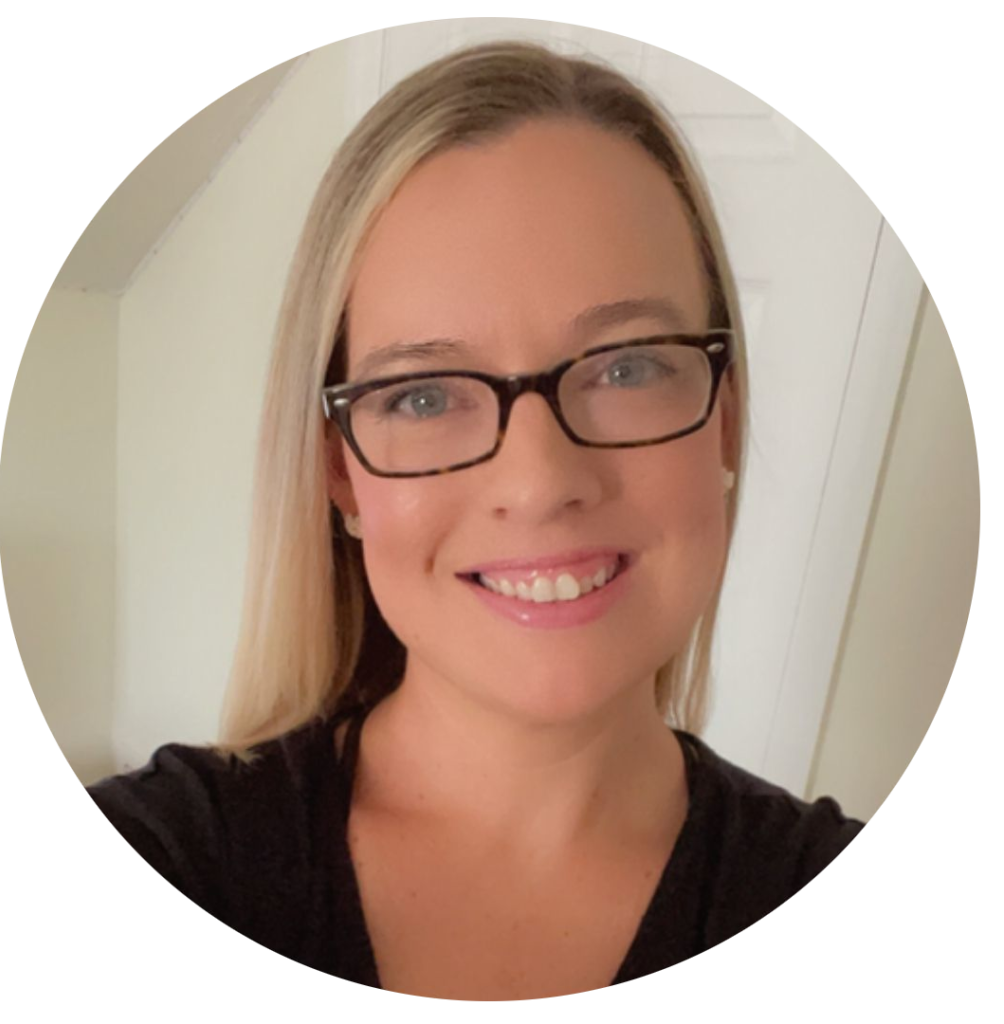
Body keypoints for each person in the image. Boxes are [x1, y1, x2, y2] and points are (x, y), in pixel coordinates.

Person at [86, 40, 864, 1001]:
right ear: (340, 472)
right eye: (422, 395)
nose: (538, 482)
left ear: (726, 420)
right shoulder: (171, 853)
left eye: (626, 367)